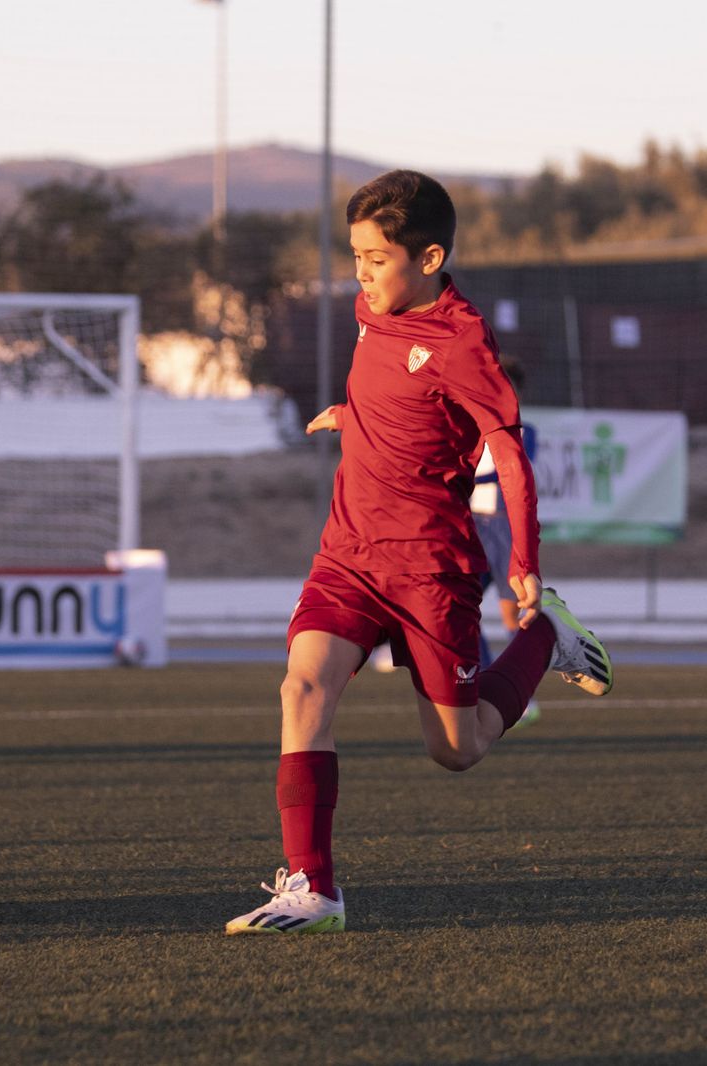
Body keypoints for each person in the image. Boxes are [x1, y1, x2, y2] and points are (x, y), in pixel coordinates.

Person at [224, 171, 613, 935]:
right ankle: (315, 889)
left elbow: (509, 454)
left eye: (376, 257)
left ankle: (546, 636)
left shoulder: (465, 340)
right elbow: (396, 391)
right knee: (301, 690)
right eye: (356, 255)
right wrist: (354, 415)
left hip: (430, 570)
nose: (361, 275)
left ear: (429, 256)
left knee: (457, 750)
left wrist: (526, 560)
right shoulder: (376, 309)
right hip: (349, 553)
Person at [471, 357, 540, 728]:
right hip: (472, 529)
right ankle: (482, 681)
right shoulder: (470, 428)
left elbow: (509, 471)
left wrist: (471, 480)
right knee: (461, 608)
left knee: (513, 615)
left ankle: (519, 693)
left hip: (503, 530)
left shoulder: (523, 431)